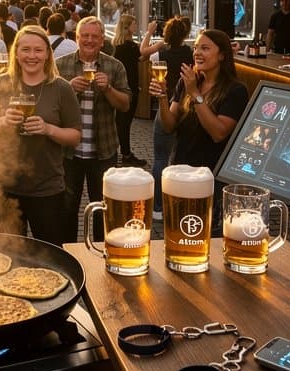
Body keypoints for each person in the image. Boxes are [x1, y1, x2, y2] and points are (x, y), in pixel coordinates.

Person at [0, 25, 81, 244]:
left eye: (38, 50)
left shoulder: (61, 88)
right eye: (25, 50)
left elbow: (75, 136)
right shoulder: (1, 82)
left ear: (47, 54)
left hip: (47, 188)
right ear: (16, 53)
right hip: (4, 185)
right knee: (10, 254)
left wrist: (48, 129)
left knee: (50, 254)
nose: (31, 56)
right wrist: (2, 122)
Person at [151, 29, 248, 231]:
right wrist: (162, 96)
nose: (197, 53)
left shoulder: (235, 90)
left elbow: (219, 132)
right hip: (181, 173)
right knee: (178, 232)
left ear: (222, 55)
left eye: (205, 48)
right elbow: (168, 126)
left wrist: (195, 93)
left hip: (211, 179)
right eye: (195, 47)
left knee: (205, 235)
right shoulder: (186, 83)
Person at [55, 16, 130, 243]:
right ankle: (69, 256)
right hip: (69, 152)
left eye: (94, 36)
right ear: (76, 38)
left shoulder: (114, 66)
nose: (89, 40)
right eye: (84, 36)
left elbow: (125, 105)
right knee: (67, 210)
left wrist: (107, 89)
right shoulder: (60, 65)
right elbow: (49, 107)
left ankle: (101, 256)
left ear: (101, 41)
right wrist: (68, 90)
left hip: (103, 151)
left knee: (103, 210)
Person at [140, 16, 192, 219]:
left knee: (161, 157)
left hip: (165, 107)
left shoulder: (160, 53)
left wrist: (150, 33)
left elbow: (143, 53)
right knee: (181, 157)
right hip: (187, 108)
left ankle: (158, 207)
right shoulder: (191, 53)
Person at [111, 14, 146, 167]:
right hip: (129, 87)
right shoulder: (130, 47)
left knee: (121, 121)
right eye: (134, 23)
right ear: (127, 27)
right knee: (125, 122)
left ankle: (121, 151)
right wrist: (151, 33)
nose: (136, 26)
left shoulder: (117, 46)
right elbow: (143, 54)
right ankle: (125, 153)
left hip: (119, 86)